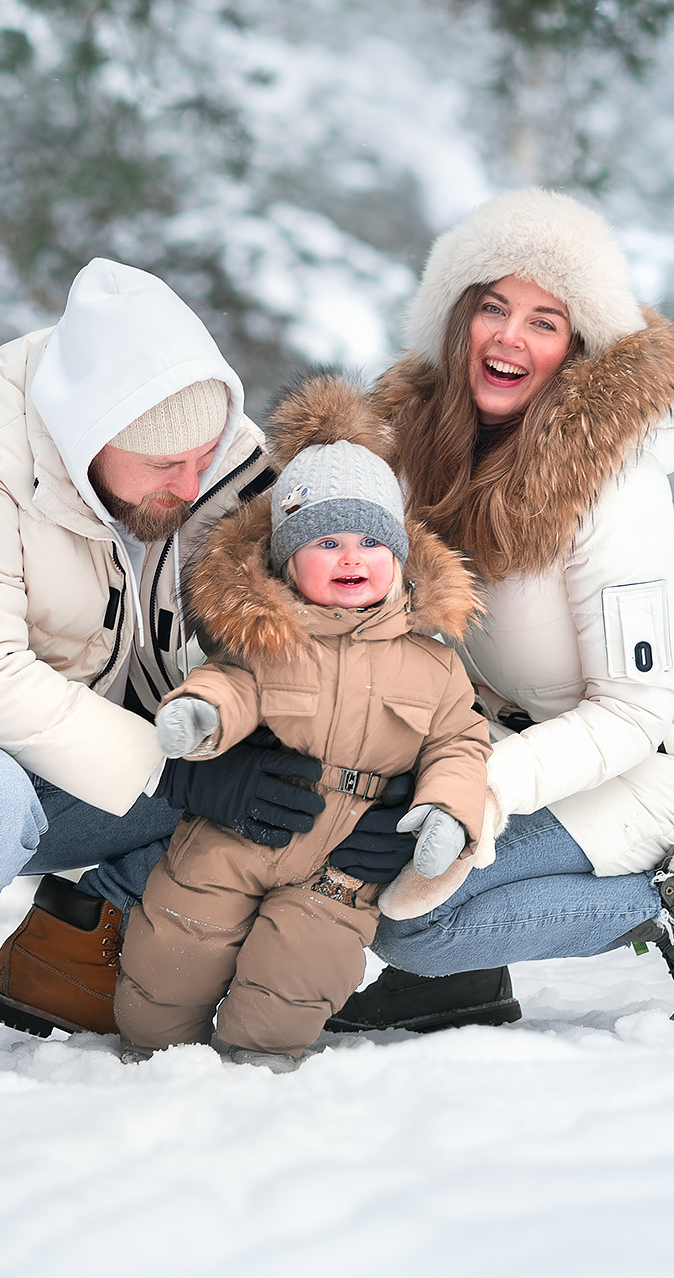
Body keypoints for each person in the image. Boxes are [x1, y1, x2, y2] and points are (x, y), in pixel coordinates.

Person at [0, 258, 335, 1083]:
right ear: (89, 438)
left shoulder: (203, 450)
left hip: (77, 750)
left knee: (289, 777)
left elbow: (290, 608)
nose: (192, 485)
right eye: (162, 469)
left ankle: (73, 943)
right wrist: (179, 777)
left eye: (203, 457)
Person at [325, 188, 674, 1039]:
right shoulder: (418, 450)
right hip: (520, 734)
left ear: (575, 348)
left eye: (544, 320)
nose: (509, 335)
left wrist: (477, 794)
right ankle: (458, 987)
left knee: (413, 918)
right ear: (455, 320)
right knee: (354, 836)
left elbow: (633, 711)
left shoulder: (615, 485)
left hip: (664, 753)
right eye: (493, 307)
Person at [112, 377, 492, 1070]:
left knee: (298, 972)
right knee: (171, 952)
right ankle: (151, 1049)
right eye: (327, 542)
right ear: (288, 557)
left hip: (343, 864)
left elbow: (460, 742)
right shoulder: (268, 634)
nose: (352, 557)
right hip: (234, 836)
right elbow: (231, 684)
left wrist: (448, 812)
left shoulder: (432, 662)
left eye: (371, 542)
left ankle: (261, 1060)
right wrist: (201, 717)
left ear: (400, 556)